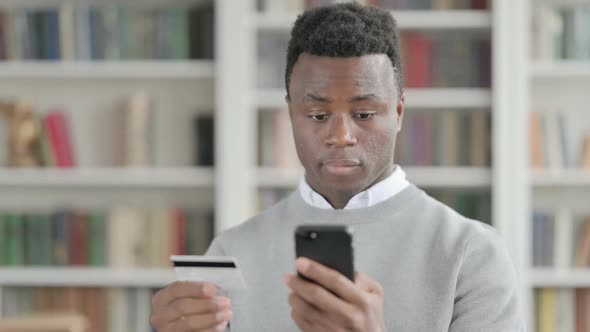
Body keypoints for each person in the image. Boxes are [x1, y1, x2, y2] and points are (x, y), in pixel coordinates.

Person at [150, 3, 524, 331]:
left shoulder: (471, 252)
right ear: (291, 113)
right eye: (317, 114)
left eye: (363, 113)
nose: (341, 135)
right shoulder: (232, 250)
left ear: (397, 113)